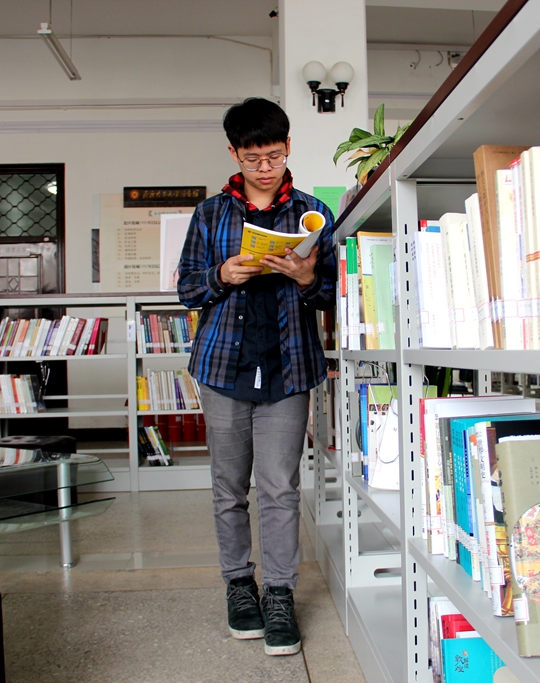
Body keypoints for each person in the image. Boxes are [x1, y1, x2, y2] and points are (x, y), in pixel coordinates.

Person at [177, 97, 337, 656]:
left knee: (280, 487)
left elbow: (332, 296)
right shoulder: (210, 214)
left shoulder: (314, 214)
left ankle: (280, 594)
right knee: (228, 487)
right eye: (253, 158)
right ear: (234, 154)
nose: (265, 168)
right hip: (224, 366)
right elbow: (187, 288)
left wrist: (307, 276)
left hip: (288, 367)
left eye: (274, 156)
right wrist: (222, 275)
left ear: (288, 146)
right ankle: (239, 585)